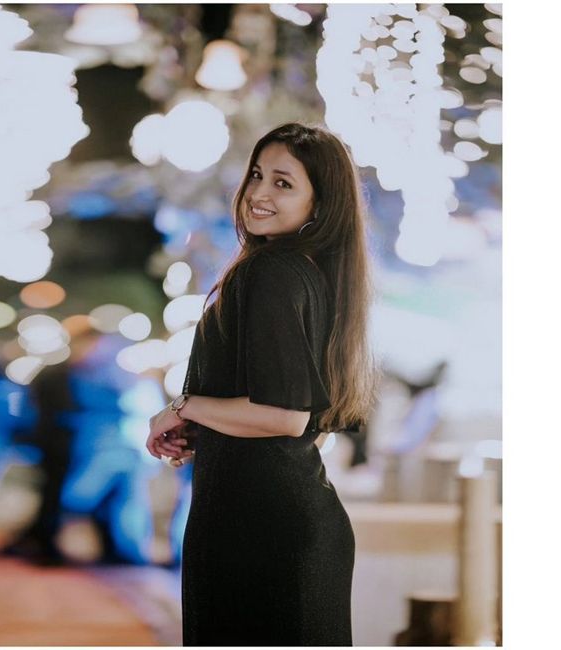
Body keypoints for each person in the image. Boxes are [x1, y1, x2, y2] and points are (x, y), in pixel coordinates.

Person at [146, 122, 377, 646]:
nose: (258, 193)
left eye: (283, 183)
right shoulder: (307, 272)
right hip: (272, 523)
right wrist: (207, 425)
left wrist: (184, 406)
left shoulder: (272, 272)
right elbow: (287, 414)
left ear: (320, 204)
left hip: (262, 532)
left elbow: (285, 416)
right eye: (256, 175)